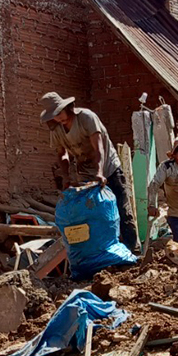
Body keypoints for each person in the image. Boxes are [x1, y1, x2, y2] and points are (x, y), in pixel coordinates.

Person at [41, 92, 139, 251]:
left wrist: (100, 172)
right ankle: (103, 251)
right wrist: (66, 176)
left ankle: (133, 250)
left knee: (122, 210)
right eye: (54, 116)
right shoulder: (56, 130)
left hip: (108, 167)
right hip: (86, 173)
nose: (58, 118)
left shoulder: (86, 117)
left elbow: (98, 147)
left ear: (67, 108)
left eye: (60, 113)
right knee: (94, 214)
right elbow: (62, 154)